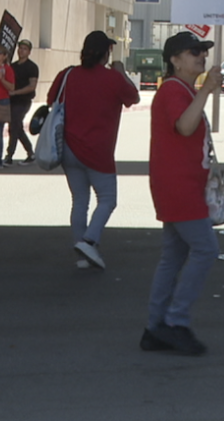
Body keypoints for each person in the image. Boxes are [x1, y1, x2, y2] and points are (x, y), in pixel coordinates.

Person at [142, 31, 220, 356]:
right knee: (205, 250)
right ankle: (175, 321)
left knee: (173, 257)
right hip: (179, 187)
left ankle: (155, 326)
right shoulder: (174, 90)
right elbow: (185, 126)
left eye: (202, 51)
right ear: (174, 59)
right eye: (193, 52)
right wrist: (206, 90)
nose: (201, 56)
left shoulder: (183, 90)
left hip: (181, 185)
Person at [47, 31, 140, 270]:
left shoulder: (68, 74)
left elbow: (51, 98)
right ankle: (89, 241)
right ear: (107, 52)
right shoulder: (113, 79)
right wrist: (121, 72)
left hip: (68, 147)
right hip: (99, 150)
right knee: (107, 199)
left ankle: (82, 254)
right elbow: (133, 97)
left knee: (79, 200)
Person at [5, 39, 39, 165]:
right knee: (16, 127)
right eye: (20, 48)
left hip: (24, 101)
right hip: (11, 101)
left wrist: (15, 92)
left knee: (14, 126)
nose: (21, 50)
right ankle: (30, 152)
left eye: (25, 48)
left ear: (29, 52)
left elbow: (32, 86)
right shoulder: (12, 66)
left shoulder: (32, 67)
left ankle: (9, 156)